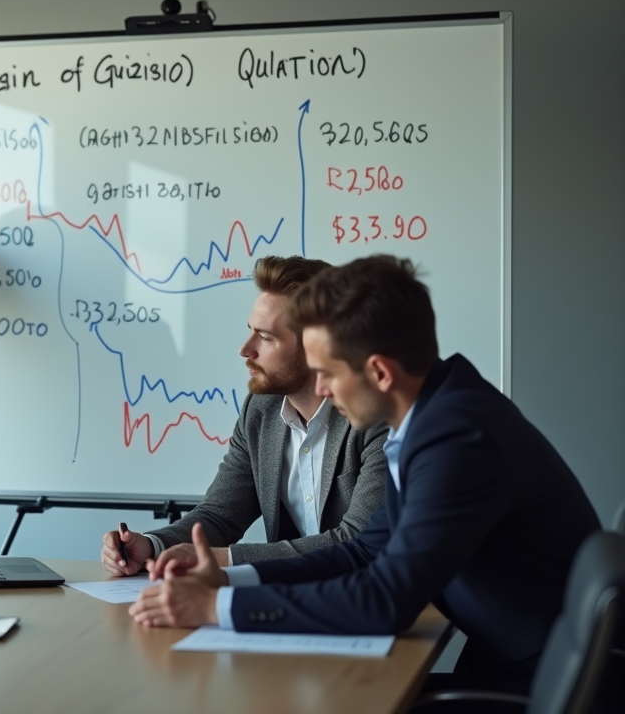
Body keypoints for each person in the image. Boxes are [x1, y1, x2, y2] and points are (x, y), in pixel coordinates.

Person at [129, 255, 600, 694]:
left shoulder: (457, 439)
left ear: (378, 372)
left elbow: (385, 600)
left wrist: (214, 609)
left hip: (543, 685)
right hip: (512, 664)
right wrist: (229, 582)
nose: (321, 388)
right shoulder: (434, 414)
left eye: (328, 372)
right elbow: (364, 551)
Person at [101, 255, 387, 575]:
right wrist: (153, 546)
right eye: (251, 331)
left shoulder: (376, 415)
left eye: (266, 337)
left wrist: (224, 560)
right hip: (287, 602)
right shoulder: (260, 410)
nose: (245, 348)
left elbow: (359, 541)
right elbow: (220, 515)